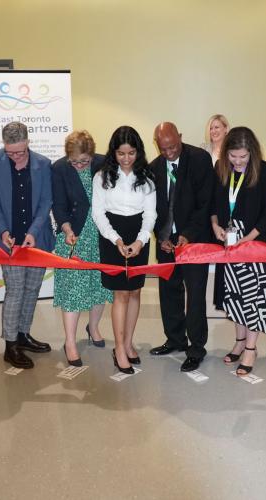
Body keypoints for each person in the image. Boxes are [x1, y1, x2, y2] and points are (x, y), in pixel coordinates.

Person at [211, 127, 266, 375]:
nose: (238, 161)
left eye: (243, 157)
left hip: (259, 243)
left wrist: (248, 239)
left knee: (255, 298)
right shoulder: (221, 168)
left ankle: (251, 348)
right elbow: (212, 203)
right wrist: (215, 226)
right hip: (231, 243)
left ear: (252, 152)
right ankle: (240, 341)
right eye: (233, 156)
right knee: (236, 297)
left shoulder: (265, 171)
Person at [0, 122, 55, 369]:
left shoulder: (43, 164)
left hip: (37, 239)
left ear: (28, 143)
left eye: (20, 152)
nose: (15, 157)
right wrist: (3, 230)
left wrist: (34, 231)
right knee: (15, 289)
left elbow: (46, 201)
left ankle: (23, 334)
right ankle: (10, 345)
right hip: (10, 240)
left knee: (33, 288)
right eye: (10, 152)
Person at [150, 122, 214, 372]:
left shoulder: (199, 159)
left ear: (181, 137)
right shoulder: (154, 167)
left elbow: (205, 202)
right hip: (166, 241)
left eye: (173, 146)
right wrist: (160, 235)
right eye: (164, 148)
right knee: (168, 291)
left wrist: (188, 234)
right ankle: (175, 340)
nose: (169, 153)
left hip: (194, 240)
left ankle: (196, 348)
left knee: (195, 295)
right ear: (157, 144)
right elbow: (152, 208)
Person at [92, 126, 156, 374]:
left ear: (138, 152)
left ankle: (129, 343)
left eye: (131, 153)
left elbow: (151, 214)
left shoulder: (147, 178)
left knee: (135, 291)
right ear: (114, 152)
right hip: (112, 236)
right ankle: (119, 347)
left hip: (139, 234)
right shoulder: (102, 177)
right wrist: (116, 239)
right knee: (120, 293)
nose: (127, 158)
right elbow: (98, 213)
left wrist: (140, 241)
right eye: (121, 153)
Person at [52, 130, 113, 366]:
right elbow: (58, 205)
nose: (79, 165)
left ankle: (94, 327)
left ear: (92, 155)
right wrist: (67, 231)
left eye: (84, 161)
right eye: (75, 161)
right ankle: (69, 341)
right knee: (73, 290)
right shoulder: (59, 169)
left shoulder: (102, 162)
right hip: (73, 235)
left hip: (100, 235)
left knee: (99, 285)